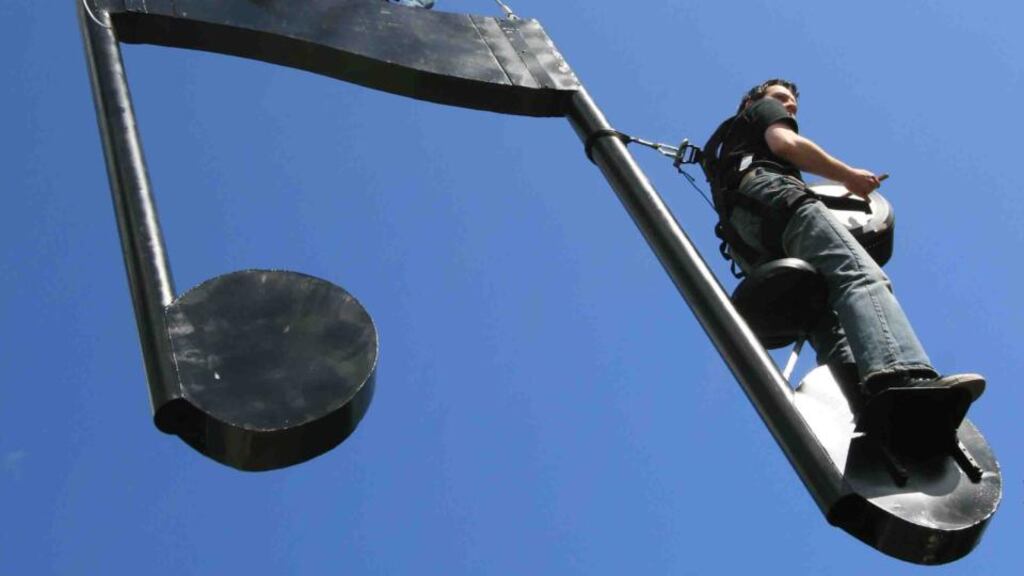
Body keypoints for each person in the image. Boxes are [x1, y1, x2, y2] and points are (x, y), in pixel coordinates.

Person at [704, 78, 984, 421]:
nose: (788, 106)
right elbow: (785, 143)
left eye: (792, 103)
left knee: (827, 326)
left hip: (748, 241)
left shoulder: (726, 147)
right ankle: (904, 375)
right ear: (753, 101)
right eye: (782, 98)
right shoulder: (762, 111)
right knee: (857, 274)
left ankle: (870, 411)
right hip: (776, 199)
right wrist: (848, 176)